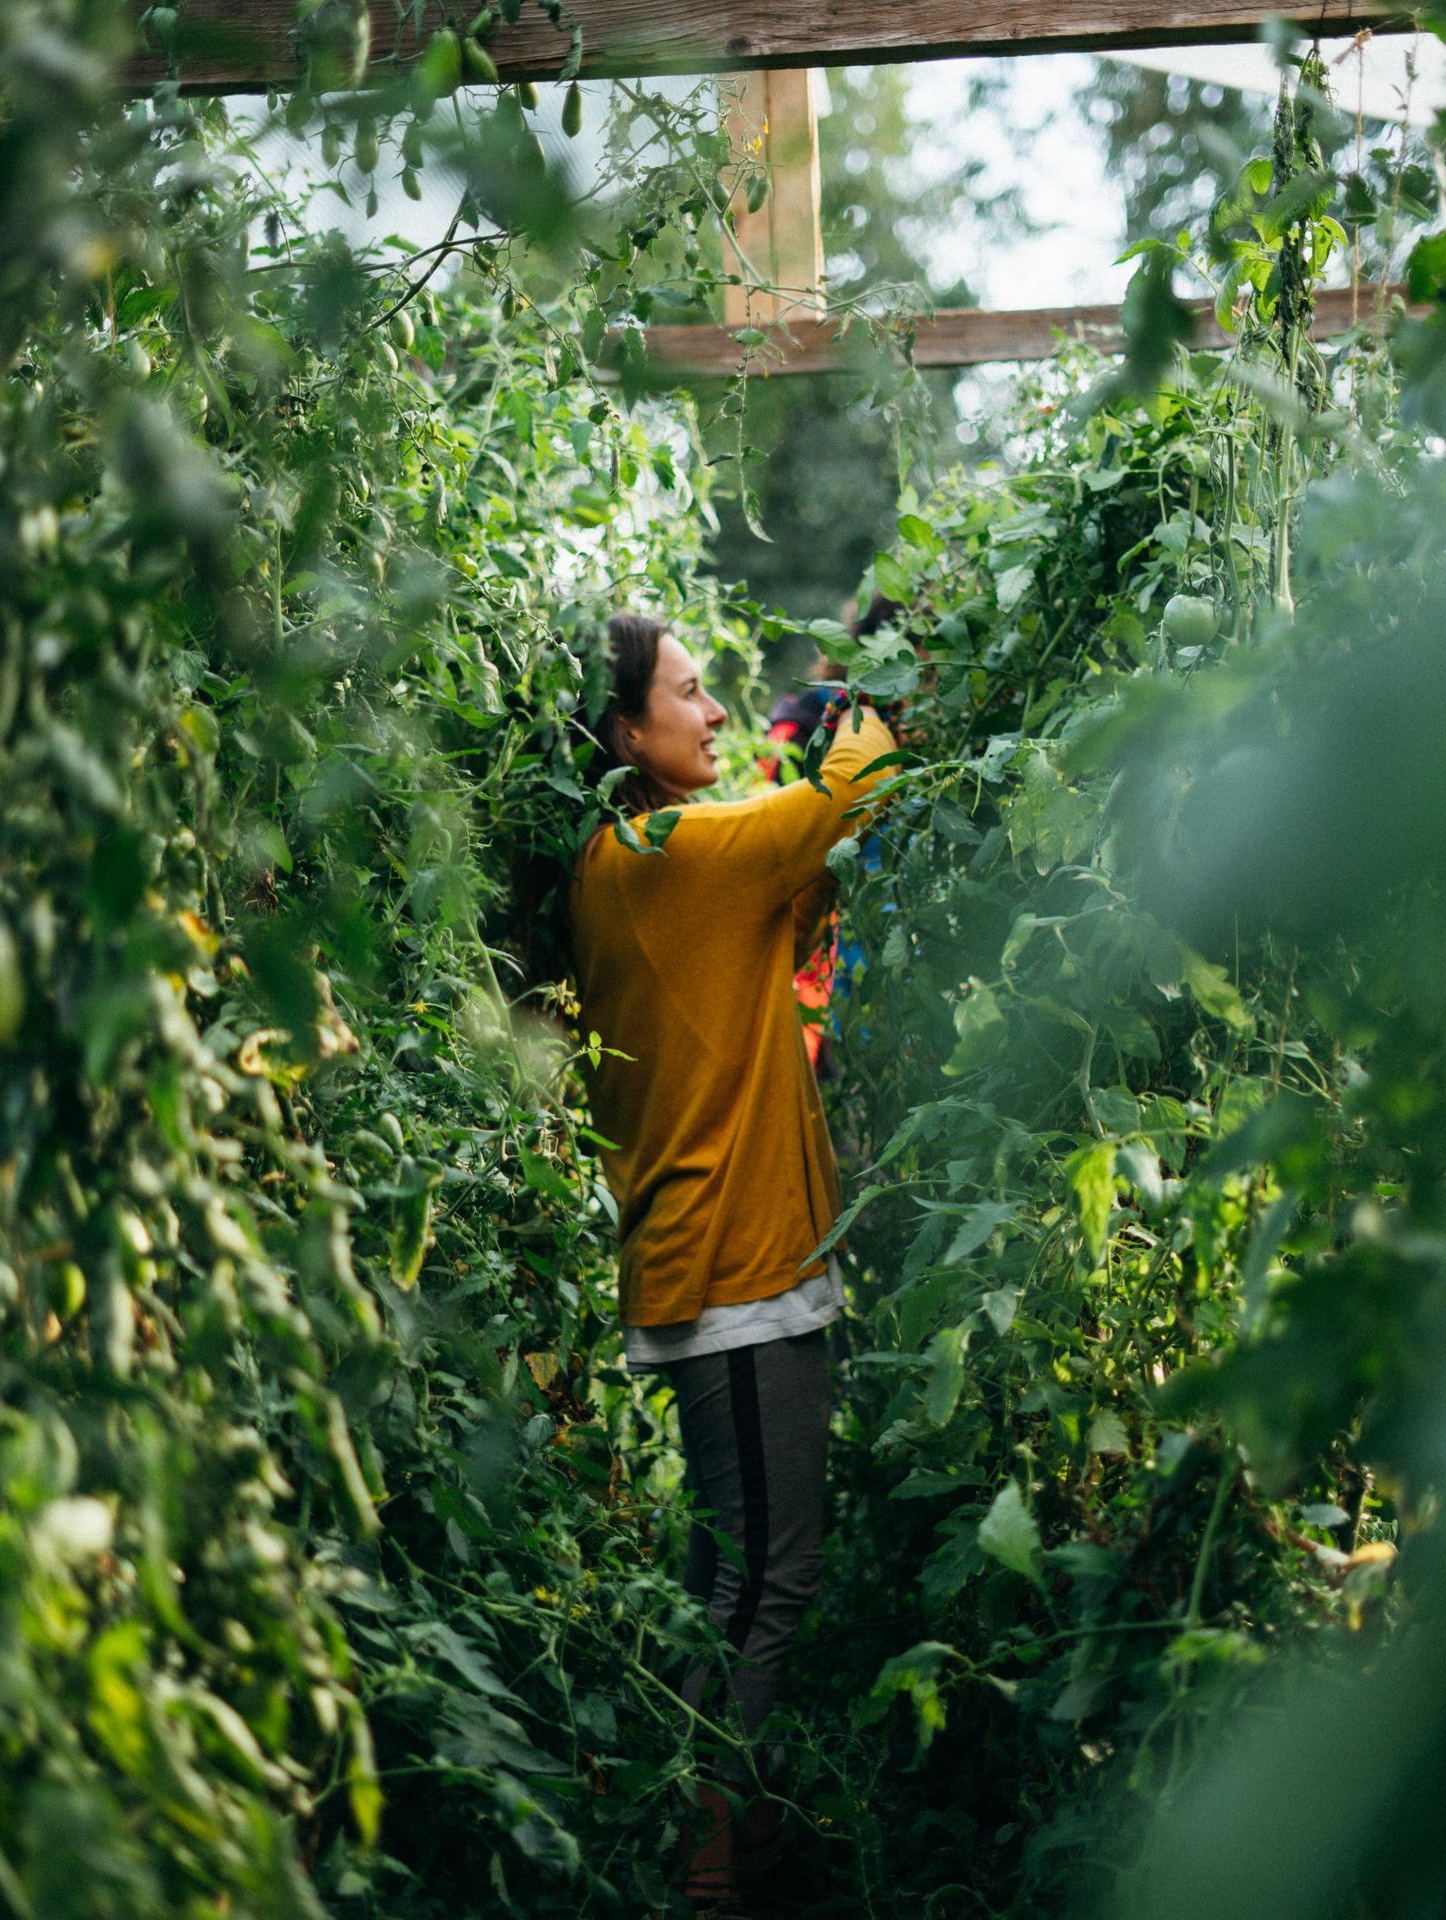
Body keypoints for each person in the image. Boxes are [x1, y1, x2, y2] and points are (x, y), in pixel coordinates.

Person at [563, 612, 900, 1916]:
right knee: (770, 1579)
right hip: (734, 1280)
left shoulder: (646, 857)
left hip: (735, 1268)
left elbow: (797, 880)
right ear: (625, 733)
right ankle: (700, 1862)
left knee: (738, 1569)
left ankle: (727, 1833)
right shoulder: (662, 854)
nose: (713, 716)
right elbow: (846, 792)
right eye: (689, 695)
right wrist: (874, 691)